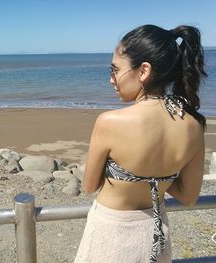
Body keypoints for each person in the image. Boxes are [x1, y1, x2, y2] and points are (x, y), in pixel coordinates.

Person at [74, 24, 206, 263]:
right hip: (156, 238)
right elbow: (188, 196)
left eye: (115, 70)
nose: (111, 79)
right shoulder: (193, 126)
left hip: (111, 235)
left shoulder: (110, 122)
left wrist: (132, 172)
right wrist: (160, 174)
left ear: (144, 70)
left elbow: (89, 185)